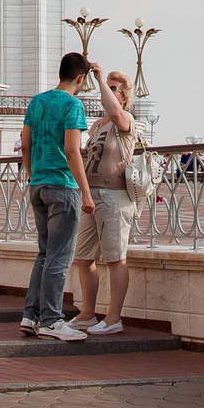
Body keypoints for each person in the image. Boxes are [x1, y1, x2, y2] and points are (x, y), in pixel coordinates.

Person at [18, 52, 95, 341]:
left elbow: (25, 143)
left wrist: (31, 174)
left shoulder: (37, 101)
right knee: (59, 258)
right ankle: (51, 319)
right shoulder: (73, 105)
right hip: (63, 187)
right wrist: (86, 192)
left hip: (37, 183)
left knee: (44, 253)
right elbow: (73, 150)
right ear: (80, 78)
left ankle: (31, 315)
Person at [74, 65, 139, 335]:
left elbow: (113, 111)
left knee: (115, 257)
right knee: (83, 255)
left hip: (114, 196)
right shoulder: (97, 126)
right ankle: (88, 313)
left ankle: (114, 318)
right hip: (91, 195)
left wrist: (100, 78)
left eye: (113, 89)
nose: (107, 91)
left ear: (123, 97)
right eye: (106, 86)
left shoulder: (124, 119)